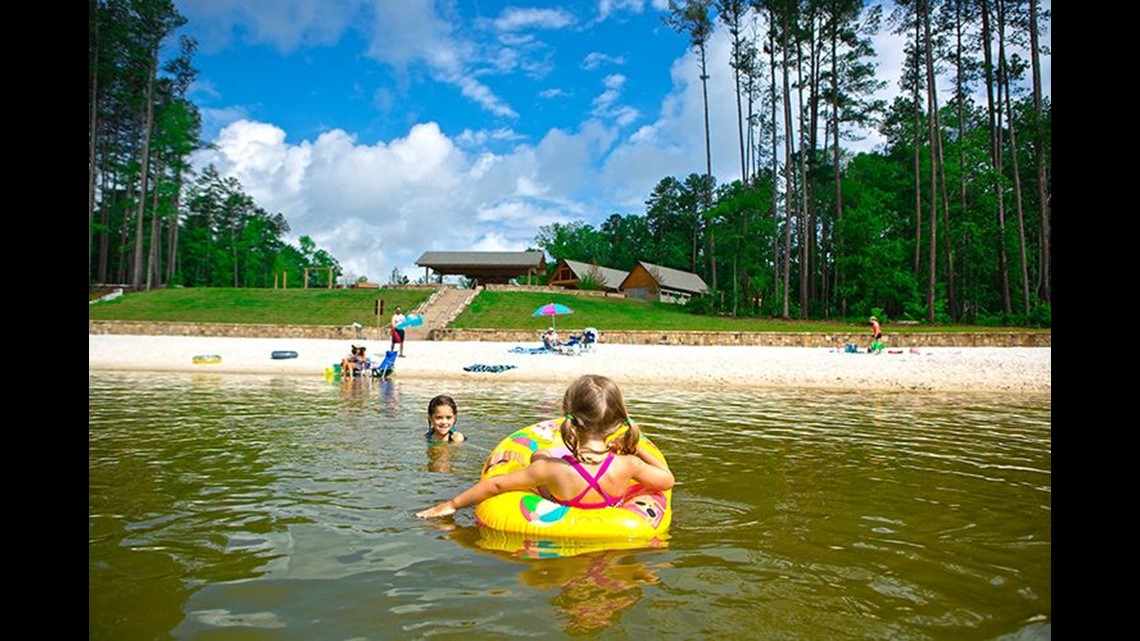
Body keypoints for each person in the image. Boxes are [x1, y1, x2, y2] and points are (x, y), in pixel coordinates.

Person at [416, 374, 674, 518]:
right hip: (611, 510)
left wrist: (450, 504)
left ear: (569, 415)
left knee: (539, 455)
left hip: (561, 500)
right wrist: (636, 447)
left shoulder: (549, 469)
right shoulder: (628, 464)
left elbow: (495, 485)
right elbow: (667, 480)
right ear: (616, 421)